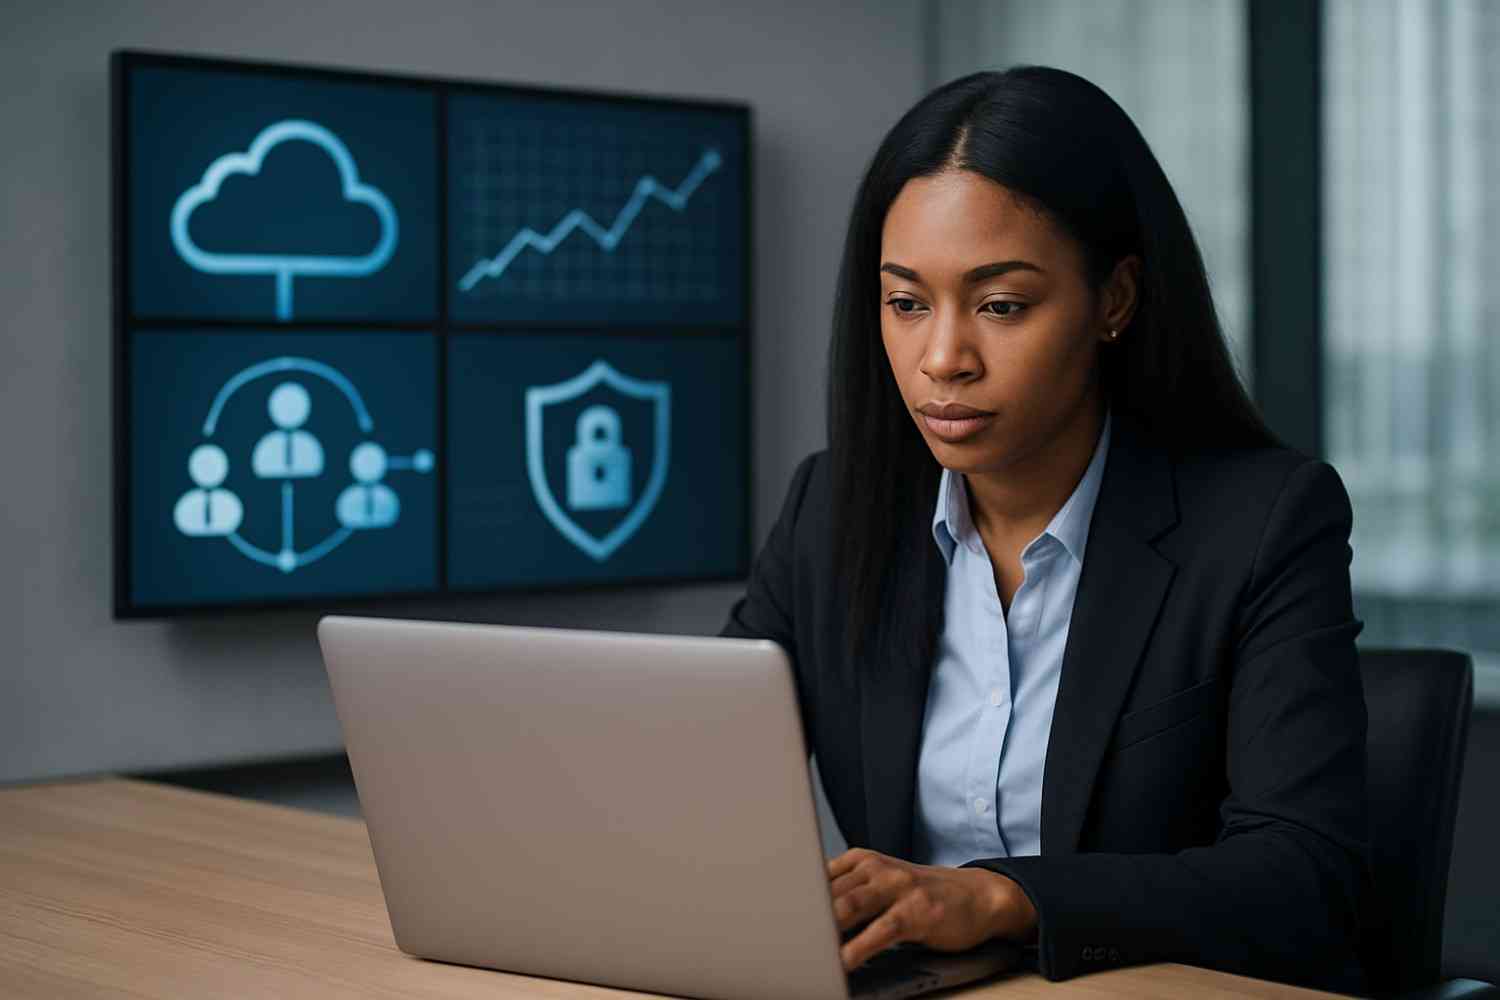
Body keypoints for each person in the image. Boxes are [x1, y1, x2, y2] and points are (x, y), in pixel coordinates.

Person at [720, 66, 1367, 994]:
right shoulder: (832, 508)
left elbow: (1307, 878)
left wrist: (1001, 899)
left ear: (1114, 301)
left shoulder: (1264, 522)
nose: (943, 358)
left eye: (1001, 306)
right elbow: (706, 783)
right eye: (907, 303)